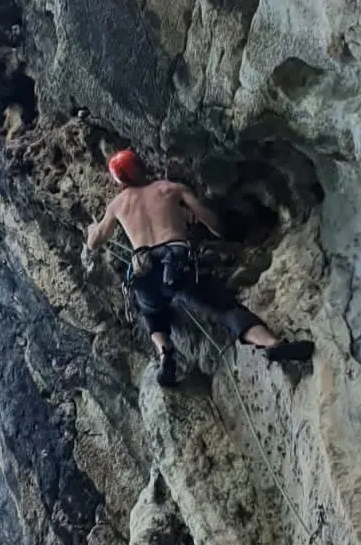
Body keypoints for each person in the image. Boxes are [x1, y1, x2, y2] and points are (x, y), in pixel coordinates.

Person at [85, 149, 315, 386]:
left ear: (119, 181)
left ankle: (165, 352)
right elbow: (212, 222)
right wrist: (228, 234)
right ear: (141, 167)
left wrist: (93, 229)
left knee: (151, 312)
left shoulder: (118, 205)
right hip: (175, 261)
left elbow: (94, 241)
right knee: (223, 308)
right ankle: (272, 344)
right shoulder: (170, 188)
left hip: (143, 269)